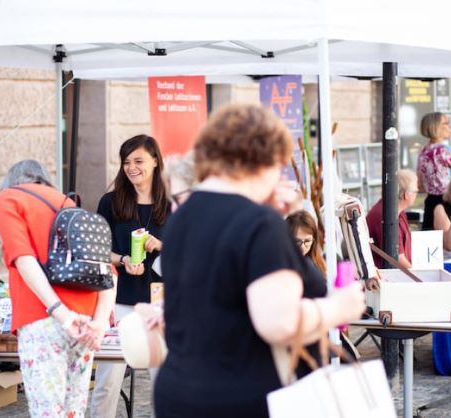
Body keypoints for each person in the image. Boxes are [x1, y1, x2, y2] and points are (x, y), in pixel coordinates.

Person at [154, 104, 365, 418]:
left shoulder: (181, 217)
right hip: (242, 397)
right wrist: (338, 307)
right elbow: (278, 322)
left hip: (179, 391)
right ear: (262, 161)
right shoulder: (258, 223)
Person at [0, 160, 115, 418]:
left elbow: (23, 259)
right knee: (73, 410)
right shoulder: (67, 204)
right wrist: (100, 323)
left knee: (47, 412)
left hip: (44, 320)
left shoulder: (9, 198)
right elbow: (108, 274)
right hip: (85, 323)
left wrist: (63, 315)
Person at [91, 135, 170, 418]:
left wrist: (161, 245)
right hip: (120, 299)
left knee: (164, 379)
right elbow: (99, 251)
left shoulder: (172, 203)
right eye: (126, 162)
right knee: (108, 380)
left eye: (138, 160)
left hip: (162, 303)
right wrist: (122, 259)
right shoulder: (111, 202)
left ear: (155, 161)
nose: (131, 167)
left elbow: (191, 250)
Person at [366, 169, 418, 269]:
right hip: (387, 277)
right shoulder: (384, 216)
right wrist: (421, 277)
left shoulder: (399, 212)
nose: (417, 194)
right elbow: (397, 258)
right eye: (416, 191)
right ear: (407, 194)